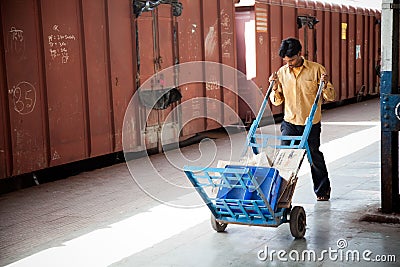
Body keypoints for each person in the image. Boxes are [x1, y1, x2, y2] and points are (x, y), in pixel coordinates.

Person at [268, 37, 335, 201]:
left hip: (310, 123)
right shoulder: (282, 73)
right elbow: (277, 101)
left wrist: (325, 85)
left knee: (314, 157)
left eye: (291, 59)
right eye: (286, 60)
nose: (289, 63)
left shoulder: (317, 70)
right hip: (290, 122)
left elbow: (331, 97)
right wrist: (274, 88)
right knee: (285, 158)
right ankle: (280, 196)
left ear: (300, 53)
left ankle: (322, 191)